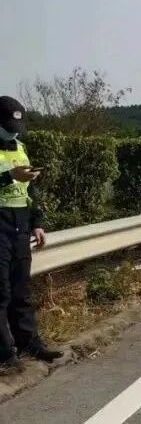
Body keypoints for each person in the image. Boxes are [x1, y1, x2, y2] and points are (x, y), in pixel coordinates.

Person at [0, 96, 61, 375]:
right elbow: (13, 180)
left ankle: (29, 344)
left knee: (22, 289)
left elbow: (29, 191)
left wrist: (37, 222)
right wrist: (10, 177)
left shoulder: (20, 147)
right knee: (1, 292)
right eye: (7, 127)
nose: (12, 132)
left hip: (20, 224)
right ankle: (5, 354)